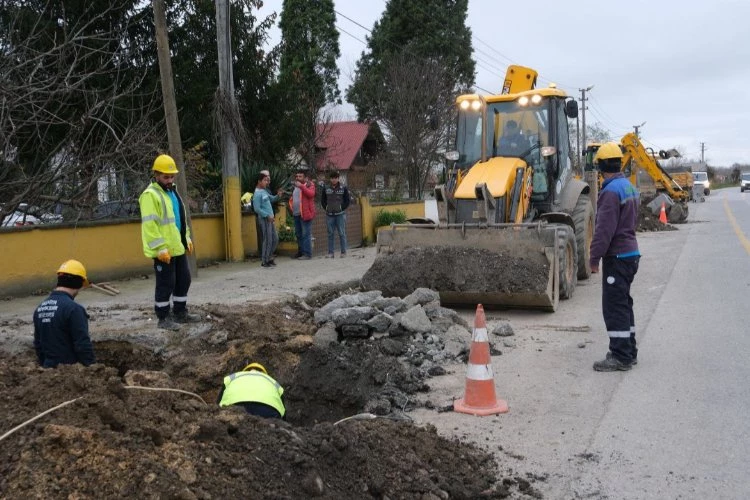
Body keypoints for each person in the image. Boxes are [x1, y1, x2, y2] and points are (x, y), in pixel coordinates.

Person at [589, 142, 641, 372]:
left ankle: (620, 356)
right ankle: (629, 350)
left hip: (618, 257)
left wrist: (594, 258)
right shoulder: (628, 187)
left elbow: (603, 230)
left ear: (600, 166)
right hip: (631, 253)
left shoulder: (610, 192)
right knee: (624, 303)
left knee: (614, 306)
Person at [139, 154, 199, 331]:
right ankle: (163, 317)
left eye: (172, 176)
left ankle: (180, 312)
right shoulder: (150, 195)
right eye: (166, 176)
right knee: (166, 283)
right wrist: (159, 248)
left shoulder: (173, 193)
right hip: (164, 251)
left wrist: (186, 238)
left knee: (184, 280)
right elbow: (150, 226)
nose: (170, 179)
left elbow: (180, 219)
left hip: (177, 247)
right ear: (156, 175)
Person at [33, 260, 96, 368]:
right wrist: (92, 368)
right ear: (78, 283)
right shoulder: (74, 309)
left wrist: (45, 369)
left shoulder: (40, 309)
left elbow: (38, 345)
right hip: (70, 373)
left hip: (48, 373)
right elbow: (82, 344)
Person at [217, 362, 285, 419]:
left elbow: (217, 404)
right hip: (268, 409)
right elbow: (283, 411)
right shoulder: (272, 381)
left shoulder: (233, 377)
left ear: (245, 371)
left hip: (234, 406)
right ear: (264, 373)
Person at [252, 172, 283, 268]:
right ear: (259, 182)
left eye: (267, 180)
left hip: (270, 219)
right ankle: (264, 261)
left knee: (275, 239)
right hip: (265, 219)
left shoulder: (264, 191)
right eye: (265, 180)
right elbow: (257, 209)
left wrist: (278, 195)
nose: (267, 182)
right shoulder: (257, 194)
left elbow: (272, 199)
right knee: (268, 239)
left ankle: (269, 257)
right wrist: (267, 216)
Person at [321, 170, 350, 258]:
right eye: (332, 178)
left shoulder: (343, 188)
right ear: (330, 179)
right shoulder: (326, 188)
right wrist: (326, 208)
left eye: (335, 178)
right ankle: (331, 253)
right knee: (330, 234)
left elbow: (347, 201)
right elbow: (323, 200)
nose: (333, 180)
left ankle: (343, 252)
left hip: (340, 215)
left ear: (338, 178)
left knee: (342, 233)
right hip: (329, 215)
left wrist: (341, 208)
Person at [289, 169, 316, 260]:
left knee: (306, 234)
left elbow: (311, 194)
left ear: (305, 177)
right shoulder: (295, 186)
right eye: (297, 176)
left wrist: (302, 187)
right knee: (298, 234)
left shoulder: (309, 184)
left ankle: (307, 254)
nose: (298, 178)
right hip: (296, 213)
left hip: (305, 214)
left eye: (300, 176)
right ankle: (301, 252)